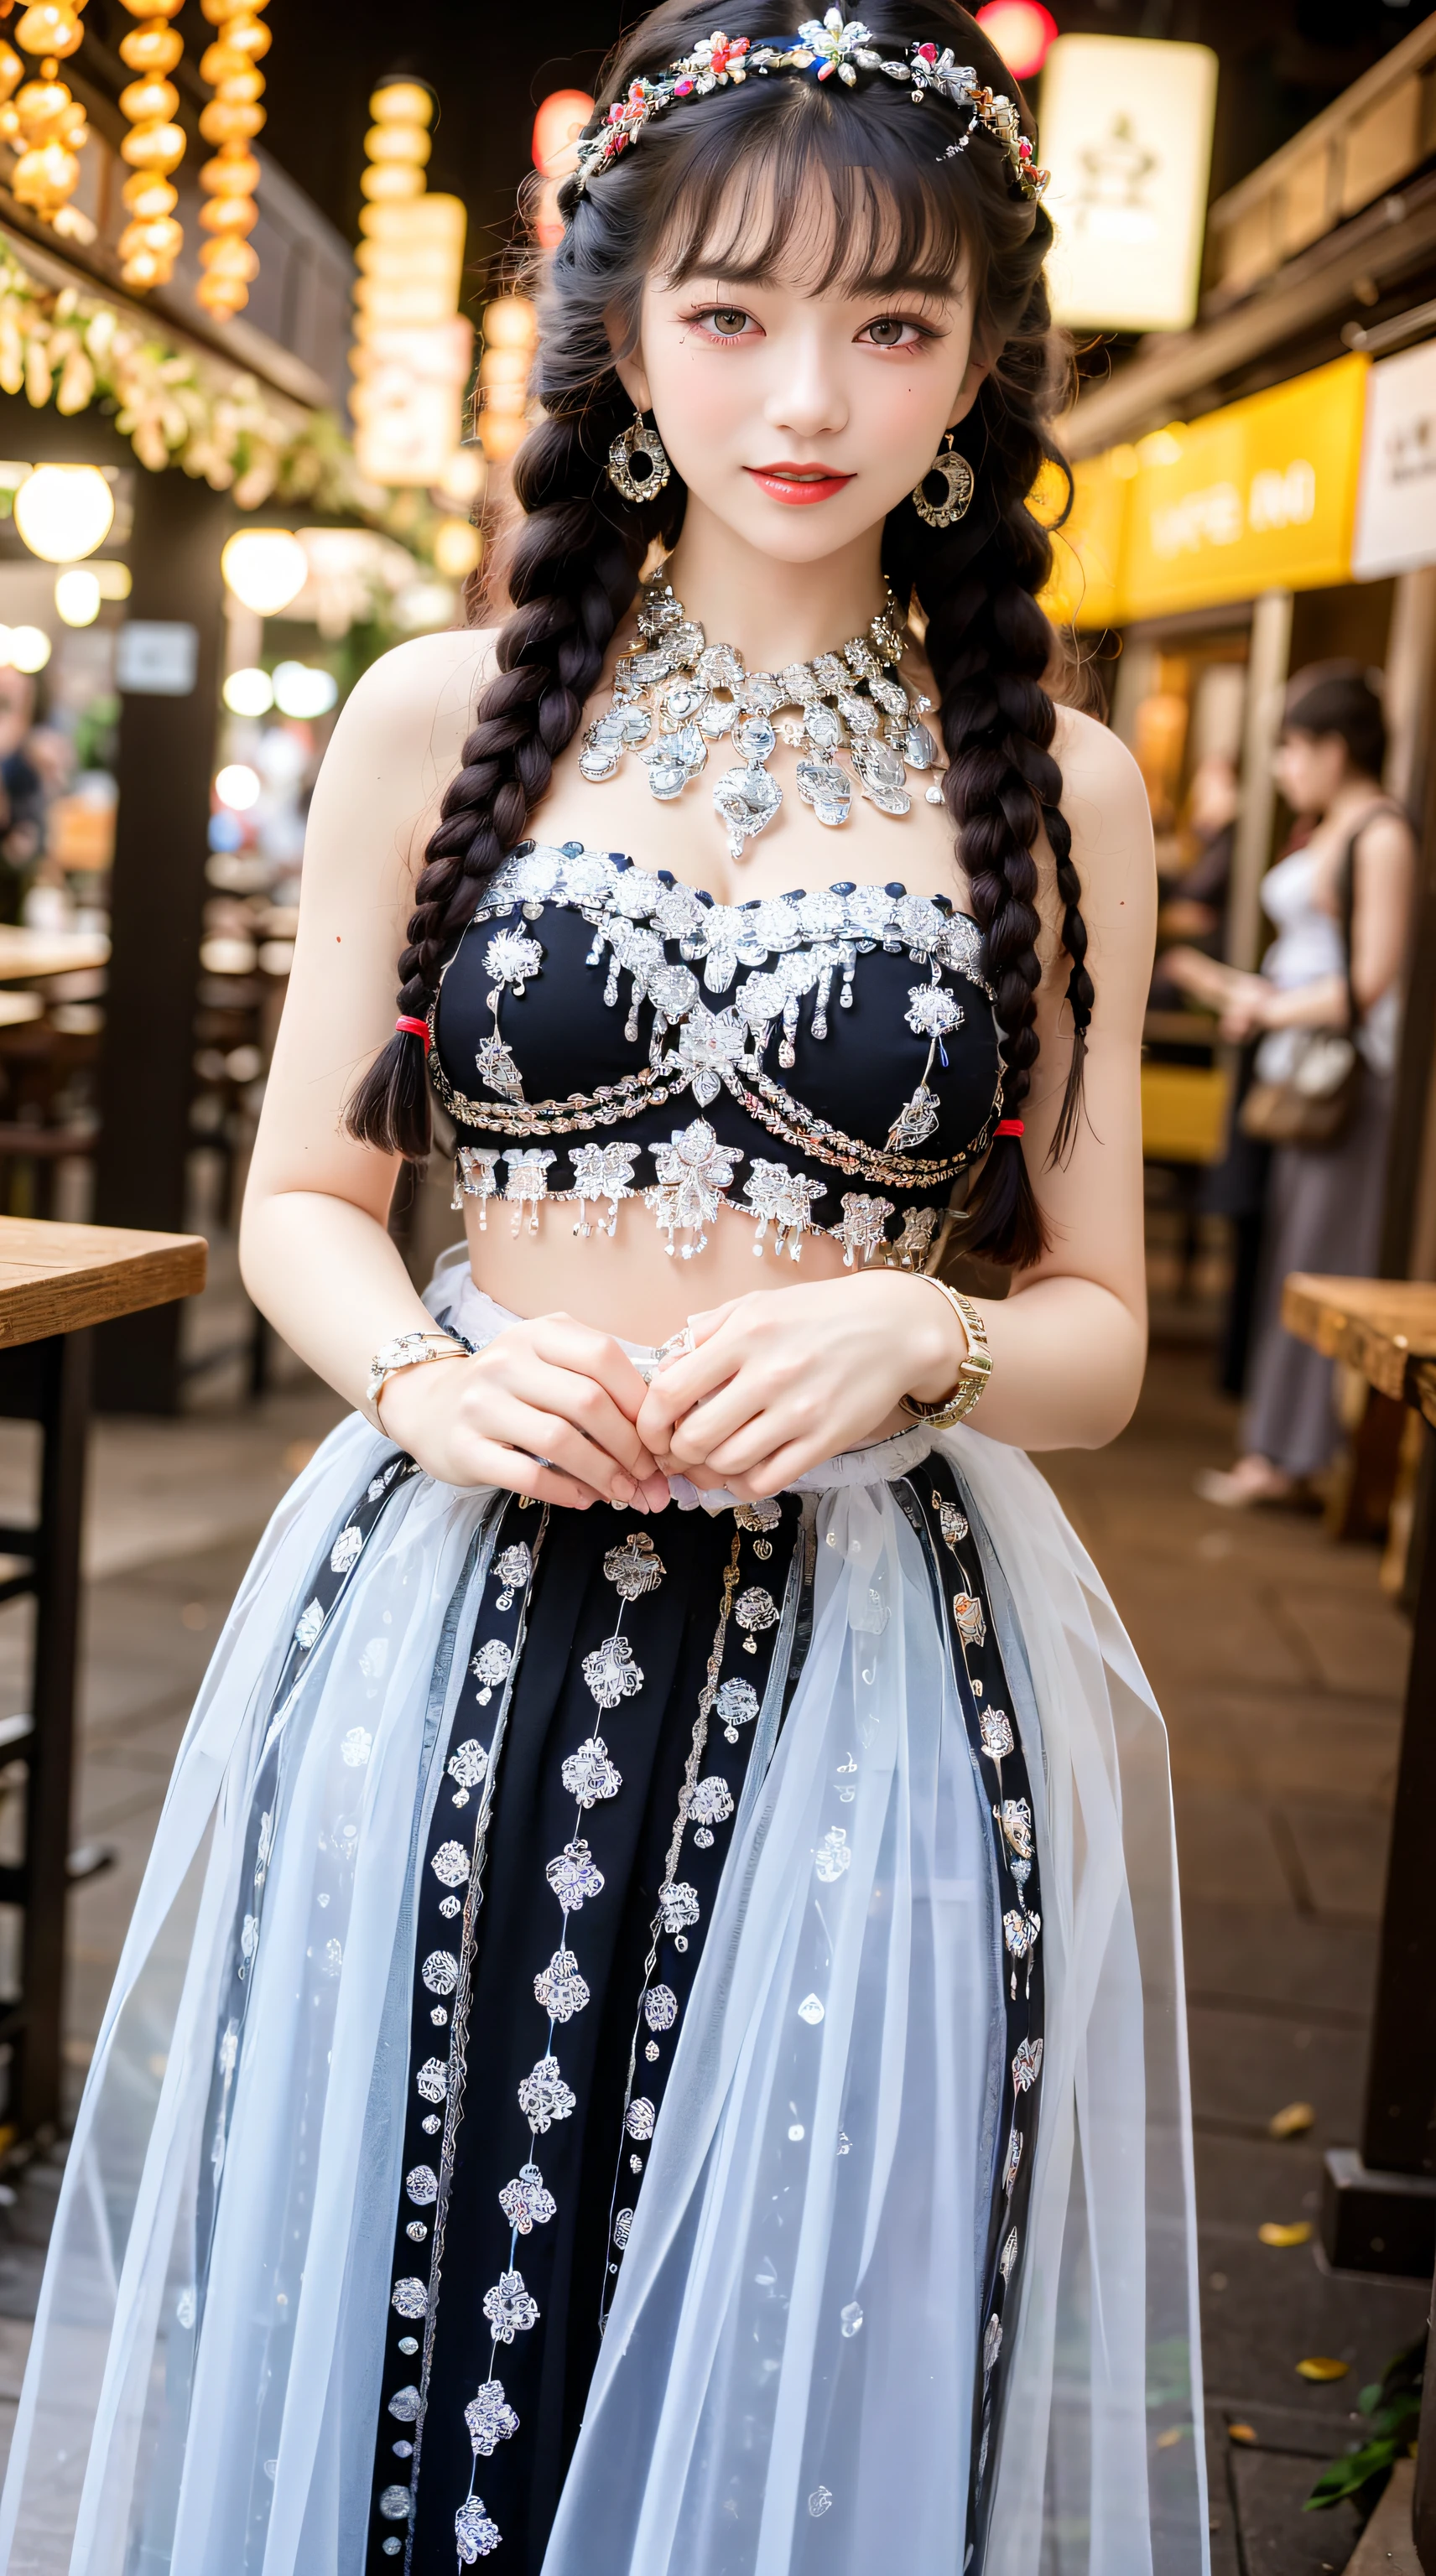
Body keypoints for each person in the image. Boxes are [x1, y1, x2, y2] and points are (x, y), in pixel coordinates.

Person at [0, 9, 1204, 2572]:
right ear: (626, 332)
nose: (810, 392)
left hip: (869, 1682)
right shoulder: (438, 717)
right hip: (445, 1634)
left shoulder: (1065, 784)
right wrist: (426, 1378)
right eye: (738, 310)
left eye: (893, 324)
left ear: (982, 363)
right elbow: (303, 1198)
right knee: (405, 2299)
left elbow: (1101, 1326)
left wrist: (936, 1335)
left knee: (801, 2335)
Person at [1167, 662, 1414, 1507]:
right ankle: (1280, 1451)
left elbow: (1369, 981)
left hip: (1344, 1082)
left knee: (1314, 1268)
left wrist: (1267, 1011)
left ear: (1335, 749)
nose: (1280, 766)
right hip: (1298, 1069)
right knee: (1288, 1261)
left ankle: (1291, 1458)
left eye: (1292, 747)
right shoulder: (1332, 829)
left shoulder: (1378, 836)